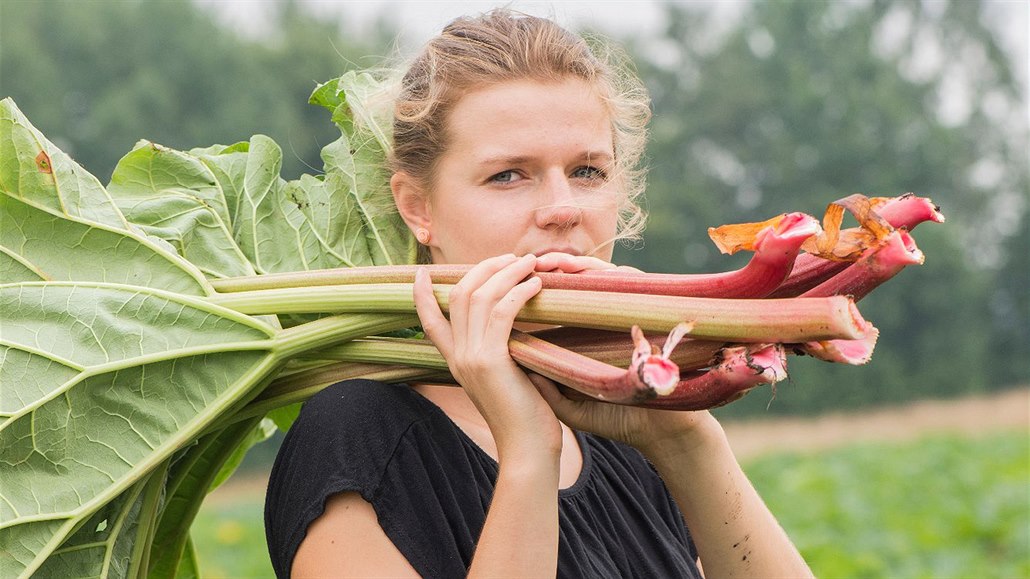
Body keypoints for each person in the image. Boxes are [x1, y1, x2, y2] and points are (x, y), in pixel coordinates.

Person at [265, 9, 814, 578]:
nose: (562, 208)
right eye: (508, 174)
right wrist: (528, 452)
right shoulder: (355, 438)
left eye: (587, 171)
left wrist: (686, 437)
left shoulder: (631, 428)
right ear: (417, 208)